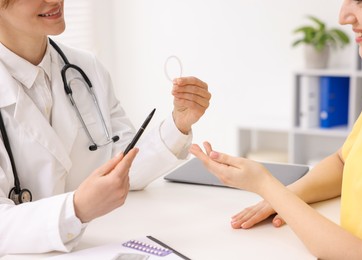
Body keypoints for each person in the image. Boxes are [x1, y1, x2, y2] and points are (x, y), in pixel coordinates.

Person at [0, 0, 211, 256]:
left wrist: (178, 124)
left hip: (102, 244)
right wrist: (75, 209)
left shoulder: (87, 68)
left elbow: (123, 165)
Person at [190, 0, 362, 259]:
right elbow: (344, 162)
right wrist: (283, 198)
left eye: (361, 0)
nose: (343, 17)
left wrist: (266, 185)